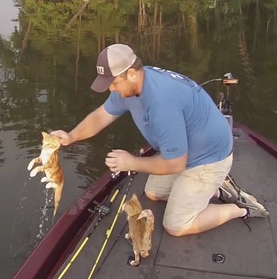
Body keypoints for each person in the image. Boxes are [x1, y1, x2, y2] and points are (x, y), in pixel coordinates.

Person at [51, 43, 268, 237]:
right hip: (183, 152)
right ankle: (218, 190)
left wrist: (131, 162)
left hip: (208, 159)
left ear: (132, 74)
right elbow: (101, 115)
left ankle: (242, 208)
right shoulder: (130, 86)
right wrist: (71, 136)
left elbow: (176, 164)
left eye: (113, 82)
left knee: (176, 225)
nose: (111, 89)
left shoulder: (161, 104)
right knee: (153, 193)